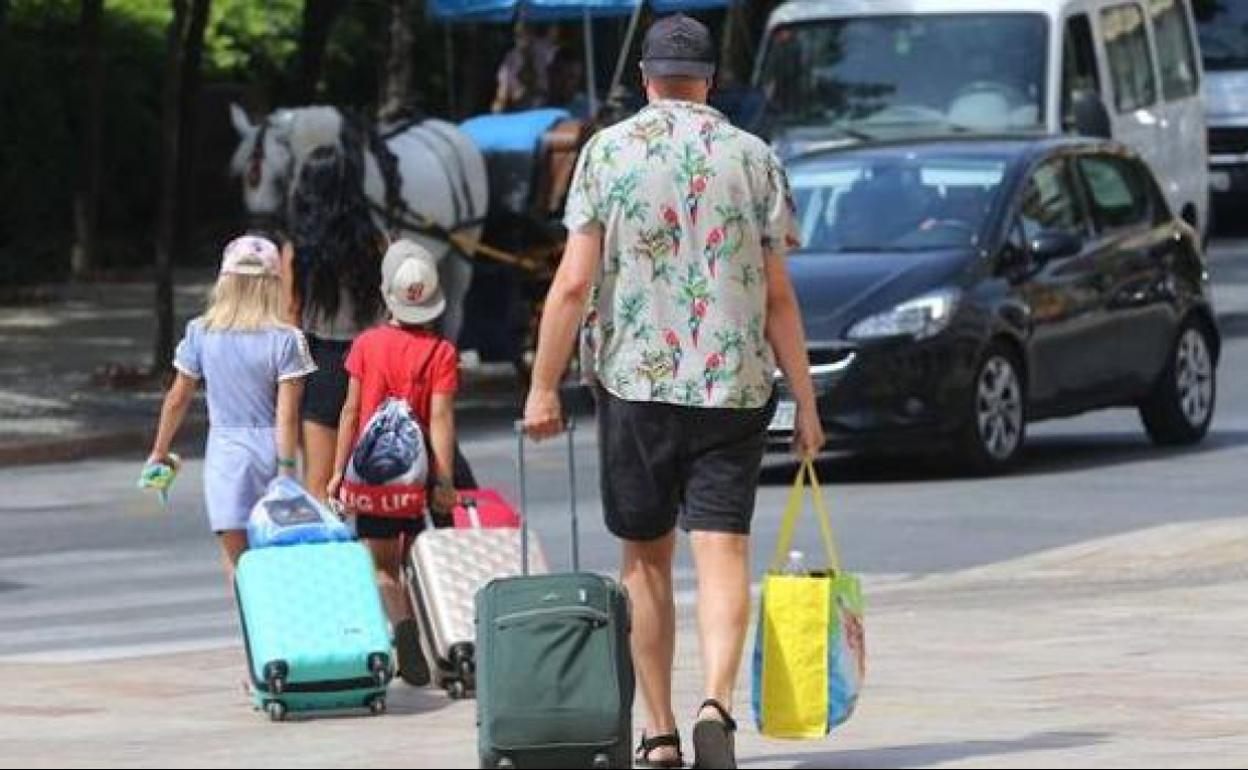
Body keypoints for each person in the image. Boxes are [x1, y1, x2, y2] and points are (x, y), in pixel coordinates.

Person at [523, 14, 825, 770]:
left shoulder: (607, 152)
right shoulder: (754, 157)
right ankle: (715, 704)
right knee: (723, 554)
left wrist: (542, 387)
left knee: (646, 559)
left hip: (638, 385)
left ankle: (658, 731)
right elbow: (779, 297)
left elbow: (573, 284)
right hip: (734, 384)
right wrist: (808, 401)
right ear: (710, 81)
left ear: (645, 79)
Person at [327, 240, 460, 687]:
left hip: (373, 478)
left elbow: (349, 412)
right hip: (416, 479)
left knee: (382, 567)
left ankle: (402, 628)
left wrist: (337, 471)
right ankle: (427, 639)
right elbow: (440, 419)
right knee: (416, 562)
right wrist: (444, 480)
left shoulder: (366, 344)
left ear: (388, 294)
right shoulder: (440, 352)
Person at [145, 235, 315, 582]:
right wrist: (286, 471)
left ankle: (247, 617)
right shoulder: (286, 340)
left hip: (225, 453)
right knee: (274, 554)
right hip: (270, 452)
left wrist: (159, 451)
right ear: (272, 285)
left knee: (238, 562)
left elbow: (177, 398)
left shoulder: (201, 333)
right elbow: (286, 416)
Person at [282, 137, 387, 503]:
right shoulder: (377, 242)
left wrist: (286, 383)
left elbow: (291, 317)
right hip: (371, 361)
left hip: (320, 362)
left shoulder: (298, 250)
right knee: (376, 482)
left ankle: (329, 540)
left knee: (320, 484)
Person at [492, 20, 559, 113]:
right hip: (519, 111)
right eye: (518, 35)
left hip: (546, 109)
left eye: (527, 32)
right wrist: (497, 110)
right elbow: (501, 96)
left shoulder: (546, 52)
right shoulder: (510, 60)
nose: (523, 38)